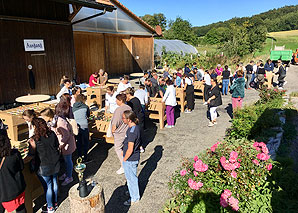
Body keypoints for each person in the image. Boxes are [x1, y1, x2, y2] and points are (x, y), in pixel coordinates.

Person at [29, 118, 60, 212]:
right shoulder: (52, 134)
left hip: (43, 165)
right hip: (55, 161)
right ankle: (55, 203)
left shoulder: (35, 139)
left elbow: (31, 154)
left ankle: (50, 207)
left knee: (48, 186)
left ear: (35, 127)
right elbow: (57, 145)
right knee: (54, 182)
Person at [0, 124, 26, 213]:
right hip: (15, 188)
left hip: (2, 191)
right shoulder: (14, 154)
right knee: (21, 208)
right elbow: (21, 167)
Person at [121, 111, 141, 206]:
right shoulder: (134, 127)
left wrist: (124, 159)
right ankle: (132, 191)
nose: (122, 120)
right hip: (132, 158)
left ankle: (134, 197)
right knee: (130, 177)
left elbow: (130, 148)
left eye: (123, 118)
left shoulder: (132, 132)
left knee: (131, 179)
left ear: (129, 119)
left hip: (130, 159)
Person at [54, 103, 76, 186]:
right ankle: (67, 173)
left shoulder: (61, 122)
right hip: (66, 144)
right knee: (67, 160)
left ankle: (69, 176)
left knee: (68, 160)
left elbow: (66, 135)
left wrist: (61, 144)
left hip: (67, 145)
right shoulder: (60, 119)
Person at [111, 94, 131, 174]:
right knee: (124, 147)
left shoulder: (118, 110)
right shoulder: (129, 108)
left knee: (118, 148)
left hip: (119, 132)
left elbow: (115, 122)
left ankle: (123, 165)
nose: (115, 101)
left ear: (120, 100)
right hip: (127, 130)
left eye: (116, 100)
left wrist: (113, 131)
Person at [125, 88, 145, 153]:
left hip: (137, 118)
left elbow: (133, 112)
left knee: (136, 133)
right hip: (140, 116)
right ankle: (140, 146)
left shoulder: (131, 102)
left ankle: (139, 146)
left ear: (128, 94)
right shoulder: (136, 99)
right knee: (139, 132)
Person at [73, 94, 90, 162]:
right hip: (84, 125)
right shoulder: (85, 107)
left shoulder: (73, 107)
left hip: (77, 126)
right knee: (86, 142)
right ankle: (85, 157)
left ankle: (79, 156)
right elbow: (88, 115)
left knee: (79, 142)